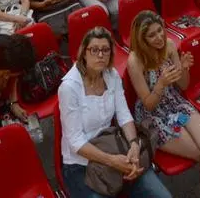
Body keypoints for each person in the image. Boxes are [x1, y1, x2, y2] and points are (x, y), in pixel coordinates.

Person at [59, 26, 172, 198]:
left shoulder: (111, 76)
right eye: (94, 50)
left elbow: (124, 115)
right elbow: (75, 142)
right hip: (81, 164)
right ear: (83, 53)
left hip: (114, 147)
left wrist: (133, 145)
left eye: (105, 50)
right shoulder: (69, 88)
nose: (100, 55)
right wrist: (112, 161)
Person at [127, 11, 200, 197]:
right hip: (153, 115)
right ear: (142, 40)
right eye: (152, 35)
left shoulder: (169, 45)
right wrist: (161, 83)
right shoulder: (135, 61)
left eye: (160, 30)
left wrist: (184, 68)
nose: (159, 37)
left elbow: (184, 84)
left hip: (175, 103)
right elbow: (148, 105)